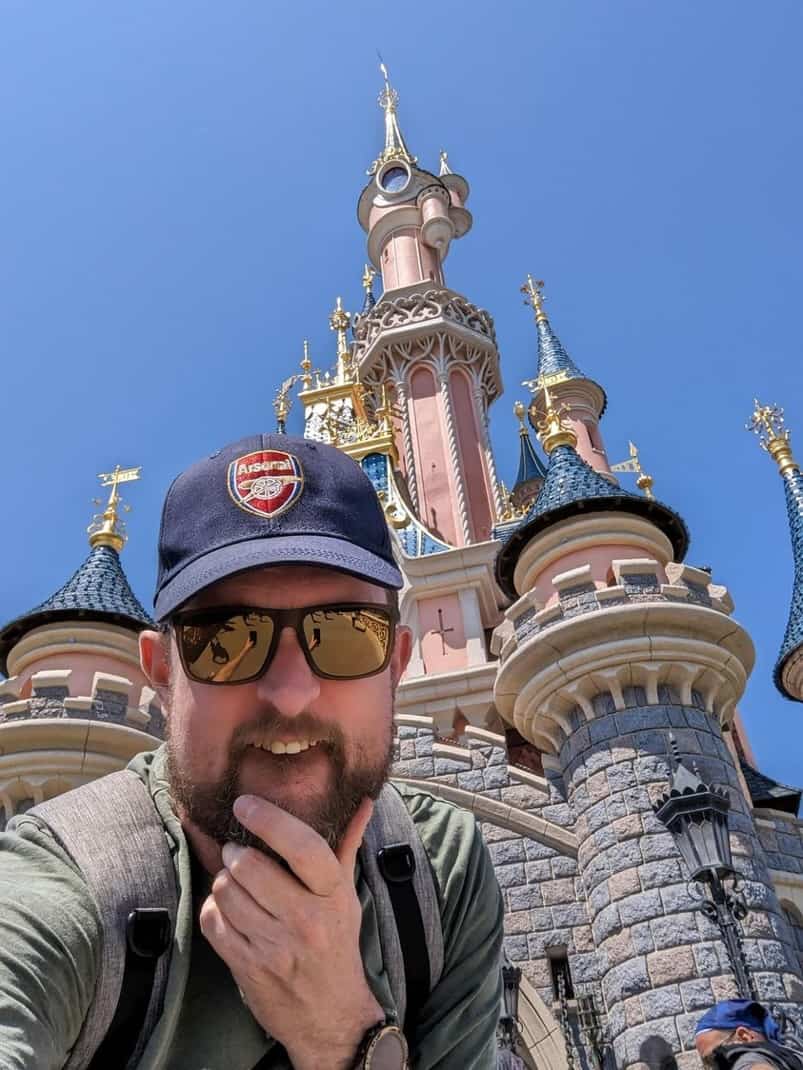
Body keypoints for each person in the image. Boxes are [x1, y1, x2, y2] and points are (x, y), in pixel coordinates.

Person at [0, 434, 504, 1070]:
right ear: (160, 672)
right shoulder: (68, 887)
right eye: (226, 639)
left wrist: (342, 1035)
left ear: (398, 664)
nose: (290, 694)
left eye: (347, 633)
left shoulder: (438, 874)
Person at [694, 999, 803, 1070]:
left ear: (744, 1036)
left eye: (712, 1058)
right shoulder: (794, 1056)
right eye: (706, 1066)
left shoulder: (746, 1060)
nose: (711, 1068)